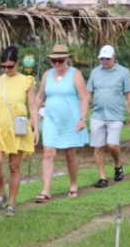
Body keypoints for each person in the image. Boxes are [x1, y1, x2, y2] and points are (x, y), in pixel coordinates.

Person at [34, 44, 89, 202]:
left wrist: (82, 119)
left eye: (60, 60)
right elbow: (39, 97)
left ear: (67, 59)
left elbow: (84, 97)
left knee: (70, 155)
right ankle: (45, 191)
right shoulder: (47, 75)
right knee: (48, 153)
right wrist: (32, 116)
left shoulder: (75, 74)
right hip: (51, 120)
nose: (57, 64)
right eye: (54, 61)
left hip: (70, 120)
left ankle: (73, 184)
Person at [0, 46, 39, 216]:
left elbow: (32, 106)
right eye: (3, 66)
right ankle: (2, 192)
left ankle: (11, 202)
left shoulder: (26, 81)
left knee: (14, 167)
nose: (7, 69)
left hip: (18, 128)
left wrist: (36, 129)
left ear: (18, 62)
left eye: (10, 66)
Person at [85, 45, 130, 188]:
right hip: (97, 114)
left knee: (112, 145)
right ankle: (102, 178)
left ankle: (117, 165)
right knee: (98, 147)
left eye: (107, 58)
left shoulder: (123, 72)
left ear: (113, 56)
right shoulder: (95, 72)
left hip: (116, 115)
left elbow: (129, 93)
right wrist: (82, 114)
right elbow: (88, 93)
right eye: (102, 59)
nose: (104, 61)